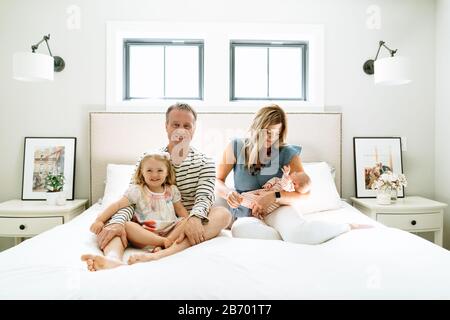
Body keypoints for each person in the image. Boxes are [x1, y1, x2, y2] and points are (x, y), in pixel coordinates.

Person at [82, 103, 232, 271]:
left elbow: (204, 198)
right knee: (115, 220)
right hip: (146, 225)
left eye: (187, 126)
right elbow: (131, 197)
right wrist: (117, 222)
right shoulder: (150, 160)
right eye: (175, 124)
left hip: (181, 228)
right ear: (166, 126)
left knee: (223, 214)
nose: (181, 130)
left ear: (194, 129)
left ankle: (159, 255)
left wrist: (195, 218)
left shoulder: (206, 162)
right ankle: (112, 259)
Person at [215, 104, 370, 244]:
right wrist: (228, 193)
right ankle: (285, 237)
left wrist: (273, 196)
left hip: (278, 208)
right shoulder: (235, 147)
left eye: (276, 133)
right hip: (246, 213)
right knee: (239, 230)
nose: (271, 138)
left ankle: (346, 226)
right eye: (267, 132)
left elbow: (305, 193)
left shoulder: (287, 153)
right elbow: (217, 180)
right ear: (256, 128)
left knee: (298, 234)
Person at [240, 165, 311, 218]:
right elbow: (275, 179)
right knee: (253, 194)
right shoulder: (283, 180)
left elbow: (284, 185)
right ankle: (243, 196)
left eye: (296, 174)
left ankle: (242, 199)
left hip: (272, 201)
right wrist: (269, 183)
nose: (294, 172)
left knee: (256, 202)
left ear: (296, 184)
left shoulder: (290, 187)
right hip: (267, 191)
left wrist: (286, 175)